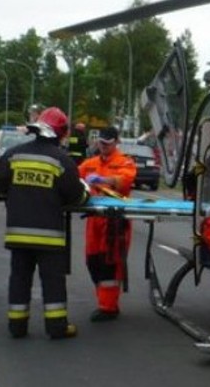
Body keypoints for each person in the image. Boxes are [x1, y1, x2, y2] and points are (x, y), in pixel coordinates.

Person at [0, 107, 89, 340]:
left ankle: (17, 326)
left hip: (17, 234)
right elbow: (76, 196)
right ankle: (56, 328)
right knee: (53, 281)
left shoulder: (13, 155)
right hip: (49, 235)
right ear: (60, 133)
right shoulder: (61, 160)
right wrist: (85, 195)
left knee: (19, 279)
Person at [77, 126, 135, 321]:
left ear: (116, 142)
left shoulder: (124, 162)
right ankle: (104, 301)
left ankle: (108, 307)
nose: (104, 147)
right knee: (93, 261)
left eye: (108, 144)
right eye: (101, 143)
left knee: (109, 263)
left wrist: (104, 180)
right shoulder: (90, 163)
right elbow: (75, 175)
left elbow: (125, 180)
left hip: (115, 222)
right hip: (94, 220)